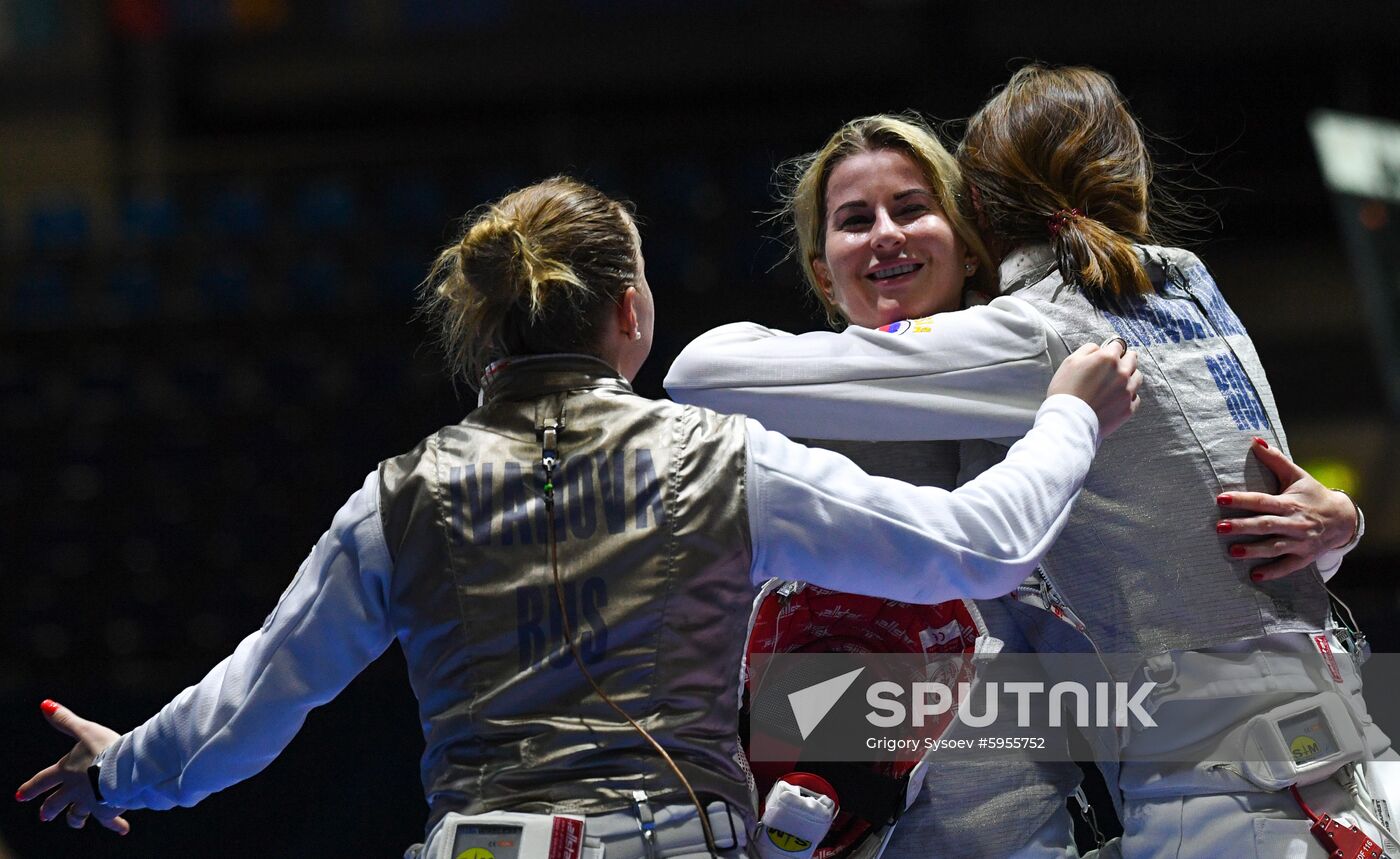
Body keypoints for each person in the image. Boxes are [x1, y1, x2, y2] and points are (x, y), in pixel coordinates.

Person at [16, 176, 1141, 858]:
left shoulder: (401, 493)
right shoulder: (713, 457)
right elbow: (979, 545)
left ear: (488, 331)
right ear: (630, 311)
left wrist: (125, 768)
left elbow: (253, 705)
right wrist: (1066, 416)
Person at [666, 70, 1381, 858]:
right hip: (848, 831)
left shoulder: (1041, 368)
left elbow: (1123, 605)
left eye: (911, 208)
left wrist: (1333, 530)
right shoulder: (784, 428)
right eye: (853, 220)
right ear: (818, 262)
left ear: (972, 227)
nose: (884, 235)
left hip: (1079, 818)